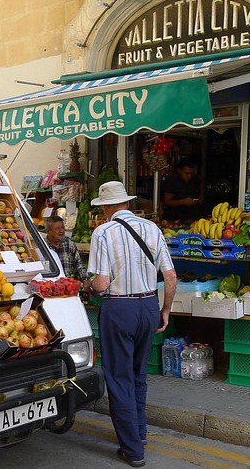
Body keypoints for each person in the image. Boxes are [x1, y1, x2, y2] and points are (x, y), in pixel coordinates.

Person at [85, 181, 177, 467]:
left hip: (119, 309)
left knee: (118, 378)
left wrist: (87, 286)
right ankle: (140, 433)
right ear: (126, 203)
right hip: (149, 305)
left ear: (106, 208)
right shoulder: (152, 228)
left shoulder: (103, 232)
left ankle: (133, 450)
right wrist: (165, 310)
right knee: (138, 375)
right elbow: (171, 277)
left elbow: (100, 284)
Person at [44, 216, 89, 287]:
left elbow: (78, 265)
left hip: (67, 287)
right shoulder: (42, 247)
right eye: (57, 229)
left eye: (62, 227)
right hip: (49, 287)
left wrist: (85, 279)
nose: (61, 231)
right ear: (47, 231)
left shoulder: (69, 244)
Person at [162, 156, 202, 221]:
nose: (189, 176)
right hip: (174, 218)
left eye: (191, 174)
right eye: (187, 173)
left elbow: (201, 181)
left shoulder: (193, 180)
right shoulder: (173, 181)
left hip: (190, 218)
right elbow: (166, 202)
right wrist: (183, 202)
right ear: (179, 170)